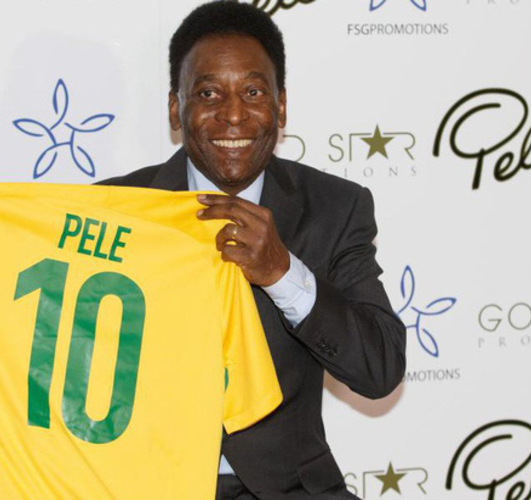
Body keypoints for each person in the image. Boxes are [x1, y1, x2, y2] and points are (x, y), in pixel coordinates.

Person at [100, 1, 406, 498]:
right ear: (175, 108)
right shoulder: (114, 208)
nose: (233, 115)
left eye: (253, 92)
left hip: (289, 489)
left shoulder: (336, 207)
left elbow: (381, 369)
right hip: (146, 485)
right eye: (208, 93)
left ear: (281, 106)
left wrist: (284, 274)